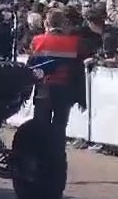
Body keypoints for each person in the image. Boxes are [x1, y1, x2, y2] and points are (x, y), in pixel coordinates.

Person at [27, 9, 83, 148]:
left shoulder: (37, 40)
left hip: (44, 89)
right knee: (60, 127)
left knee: (41, 125)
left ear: (46, 22)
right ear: (63, 23)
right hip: (65, 90)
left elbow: (31, 65)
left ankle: (40, 155)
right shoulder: (75, 42)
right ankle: (57, 156)